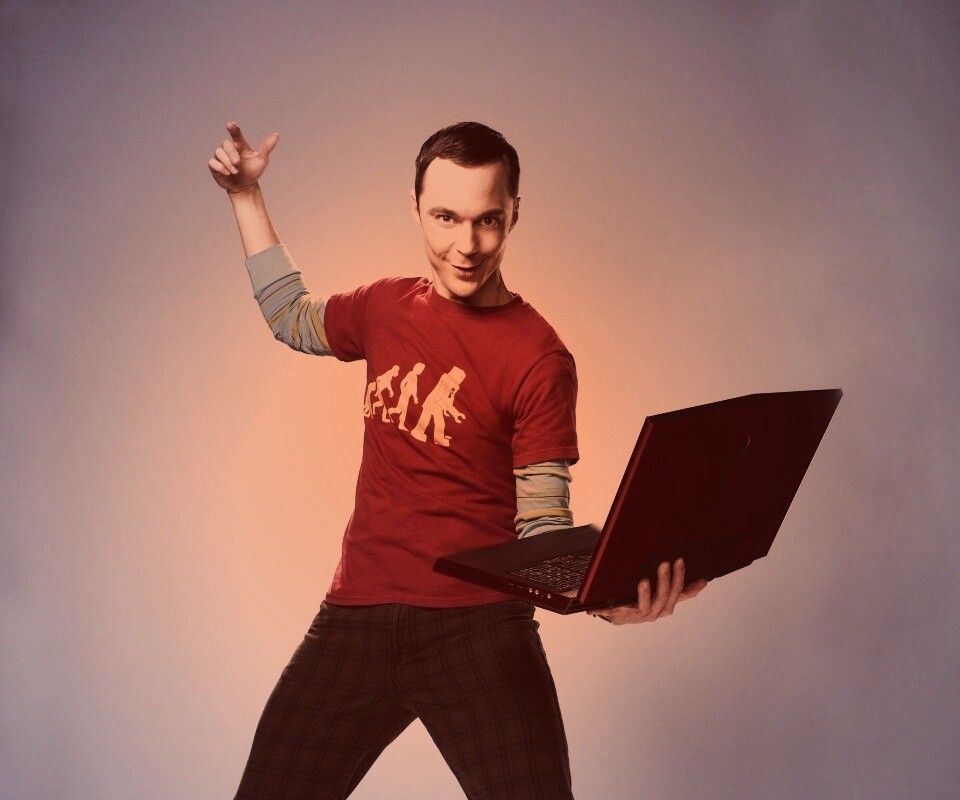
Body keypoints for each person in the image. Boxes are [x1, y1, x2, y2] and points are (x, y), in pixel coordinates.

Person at [208, 120, 707, 799]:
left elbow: (542, 524)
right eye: (446, 217)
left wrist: (603, 597)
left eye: (487, 221)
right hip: (355, 618)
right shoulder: (383, 307)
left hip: (479, 631)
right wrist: (244, 196)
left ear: (514, 215)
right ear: (416, 209)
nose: (466, 246)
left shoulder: (539, 358)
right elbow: (290, 317)